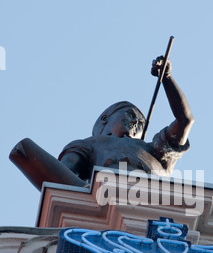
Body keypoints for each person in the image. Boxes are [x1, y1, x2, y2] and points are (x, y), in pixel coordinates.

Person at [9, 56, 194, 190]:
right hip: (100, 195)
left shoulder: (153, 149)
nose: (136, 122)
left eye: (140, 123)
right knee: (24, 150)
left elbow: (185, 120)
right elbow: (62, 177)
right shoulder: (89, 144)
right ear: (106, 120)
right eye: (130, 115)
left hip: (151, 200)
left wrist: (167, 79)